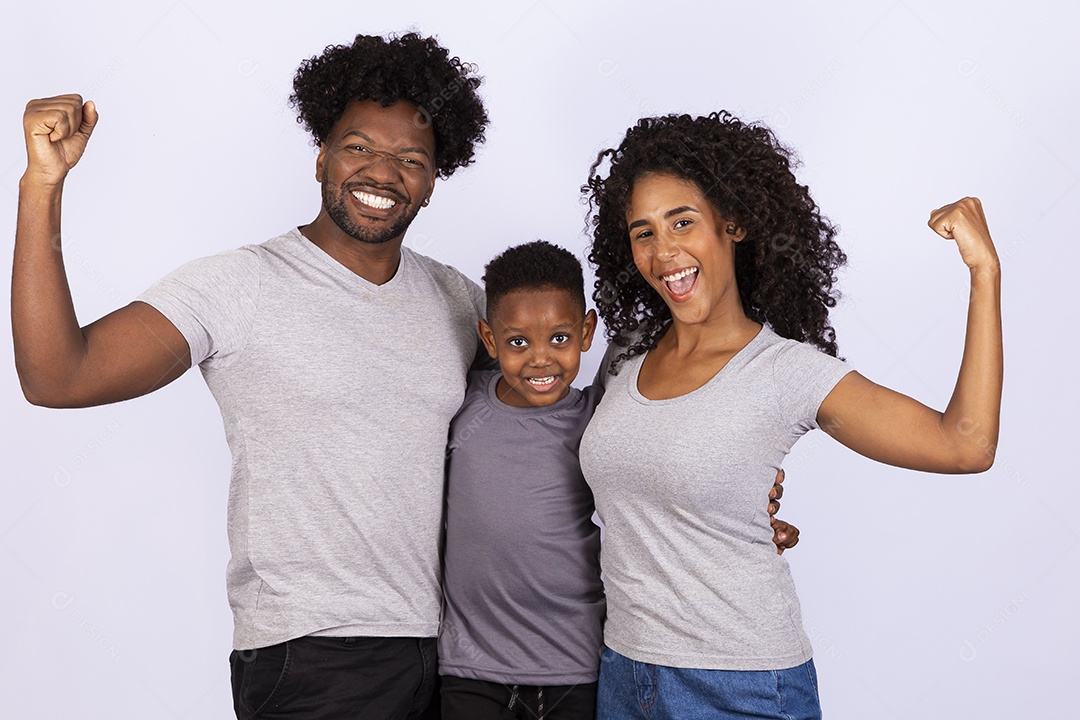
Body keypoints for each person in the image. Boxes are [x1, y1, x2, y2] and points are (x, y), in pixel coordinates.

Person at [13, 32, 489, 720]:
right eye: (358, 148)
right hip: (315, 658)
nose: (382, 173)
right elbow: (58, 376)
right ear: (321, 157)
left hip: (445, 652)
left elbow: (542, 413)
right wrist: (42, 186)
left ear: (432, 182)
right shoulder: (239, 286)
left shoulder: (456, 299)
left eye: (410, 159)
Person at [579, 112, 1002, 720]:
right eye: (642, 232)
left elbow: (965, 445)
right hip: (623, 673)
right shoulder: (625, 355)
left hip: (740, 686)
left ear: (735, 225)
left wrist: (984, 273)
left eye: (683, 222)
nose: (663, 250)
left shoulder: (786, 371)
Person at [438, 240, 603, 720]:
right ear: (489, 340)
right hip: (472, 671)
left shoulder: (599, 418)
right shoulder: (462, 406)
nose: (539, 360)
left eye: (559, 338)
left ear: (586, 331)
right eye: (517, 342)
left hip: (576, 669)